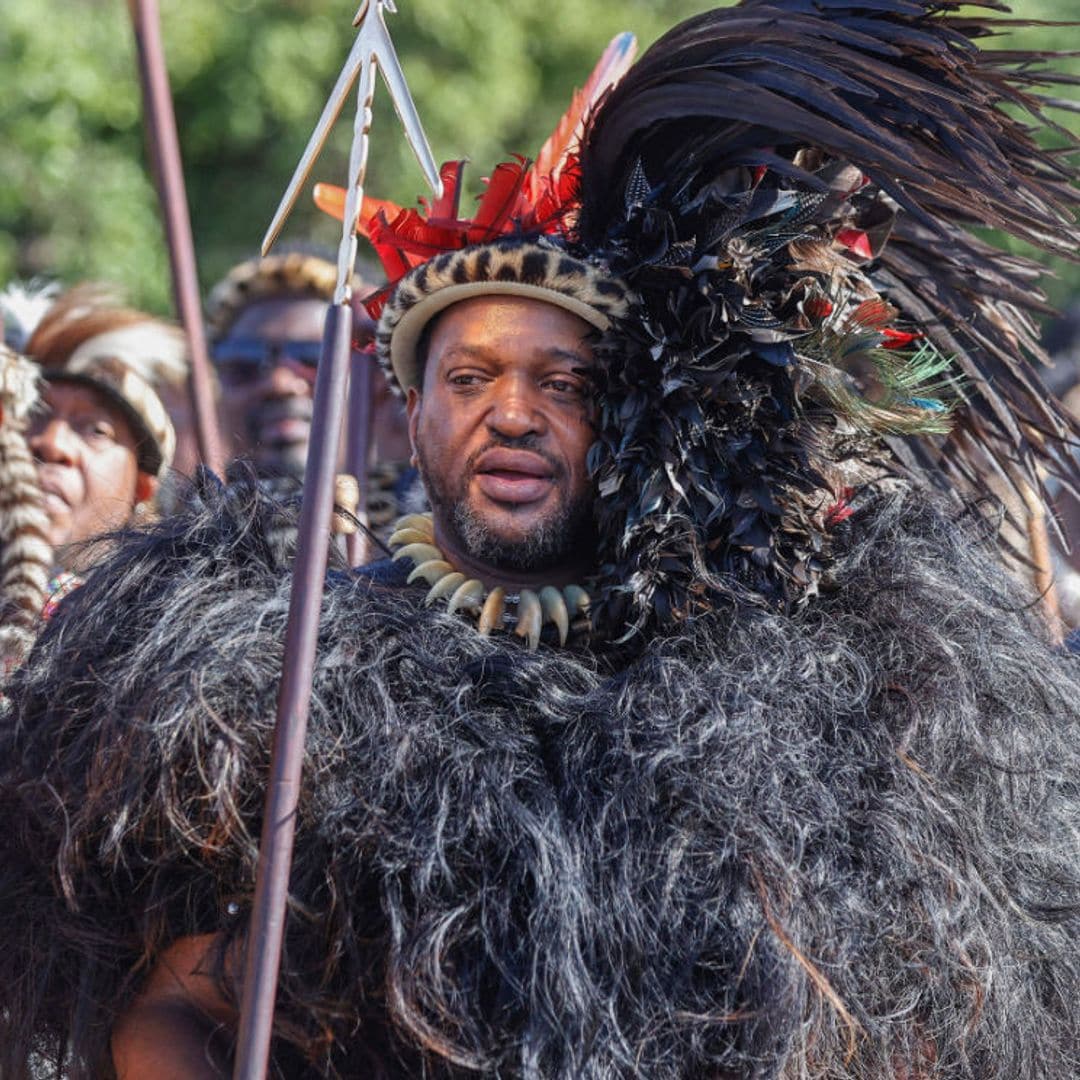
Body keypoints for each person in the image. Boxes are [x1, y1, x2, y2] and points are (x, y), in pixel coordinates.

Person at [3, 2, 1080, 1077]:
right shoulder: (293, 683)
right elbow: (181, 1004)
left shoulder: (767, 694)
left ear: (628, 414)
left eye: (563, 384)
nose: (510, 413)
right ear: (409, 414)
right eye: (468, 379)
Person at [207, 251, 417, 542]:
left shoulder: (431, 541)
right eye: (244, 363)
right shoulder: (175, 548)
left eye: (315, 359)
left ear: (377, 385)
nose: (279, 383)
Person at [19, 287, 179, 577]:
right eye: (34, 413)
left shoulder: (162, 619)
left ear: (139, 490)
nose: (52, 444)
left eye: (95, 430)